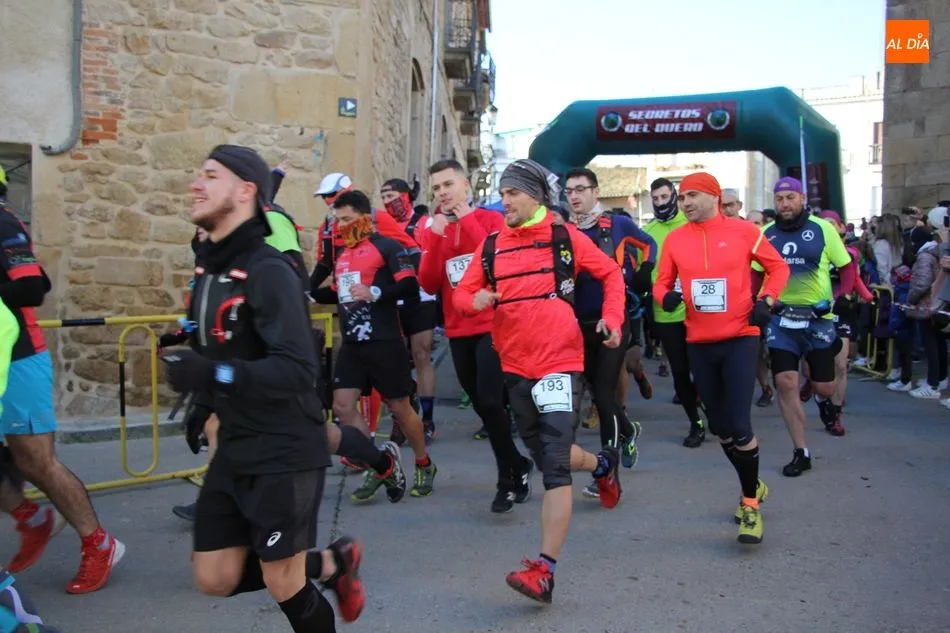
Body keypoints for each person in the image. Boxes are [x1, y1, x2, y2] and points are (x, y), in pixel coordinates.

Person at [161, 144, 364, 630]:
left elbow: (297, 370)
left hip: (283, 448)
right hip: (235, 442)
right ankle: (332, 563)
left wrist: (211, 376)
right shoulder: (209, 269)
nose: (196, 184)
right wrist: (201, 397)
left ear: (245, 191)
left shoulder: (269, 270)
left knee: (282, 581)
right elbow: (222, 342)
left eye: (211, 176)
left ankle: (319, 569)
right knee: (214, 576)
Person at [454, 159, 624, 604]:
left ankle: (544, 571)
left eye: (512, 193)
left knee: (554, 463)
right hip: (514, 363)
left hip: (559, 361)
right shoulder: (492, 244)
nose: (505, 201)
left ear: (534, 196)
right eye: (502, 193)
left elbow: (610, 273)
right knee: (544, 451)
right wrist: (474, 300)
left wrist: (612, 317)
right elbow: (460, 294)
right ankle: (602, 465)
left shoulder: (564, 237)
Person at [0, 166, 124, 594]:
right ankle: (30, 517)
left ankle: (100, 543)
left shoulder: (3, 221)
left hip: (18, 359)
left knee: (37, 461)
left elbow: (32, 287)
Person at [654, 171, 789, 544]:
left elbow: (778, 267)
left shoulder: (744, 231)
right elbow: (661, 282)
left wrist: (767, 300)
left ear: (714, 197)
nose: (685, 203)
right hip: (699, 340)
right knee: (720, 428)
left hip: (741, 337)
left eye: (692, 196)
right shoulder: (676, 239)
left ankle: (750, 505)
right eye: (682, 197)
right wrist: (664, 296)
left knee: (740, 425)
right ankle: (753, 483)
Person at [416, 158, 533, 513]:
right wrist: (435, 238)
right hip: (458, 328)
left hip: (493, 324)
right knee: (484, 406)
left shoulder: (490, 220)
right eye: (436, 188)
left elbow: (496, 262)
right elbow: (428, 283)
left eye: (448, 184)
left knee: (491, 400)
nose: (442, 193)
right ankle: (518, 463)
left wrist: (466, 220)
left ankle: (505, 481)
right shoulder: (434, 229)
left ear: (465, 185)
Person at [311, 190, 437, 500]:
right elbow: (339, 294)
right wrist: (307, 293)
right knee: (342, 406)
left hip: (384, 340)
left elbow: (409, 286)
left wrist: (376, 293)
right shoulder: (343, 255)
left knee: (400, 408)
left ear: (366, 218)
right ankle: (379, 465)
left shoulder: (387, 247)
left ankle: (423, 463)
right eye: (338, 221)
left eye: (347, 219)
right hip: (353, 343)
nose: (341, 226)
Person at [564, 167, 656, 497]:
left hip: (613, 321)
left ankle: (608, 469)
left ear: (595, 192)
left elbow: (649, 244)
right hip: (579, 324)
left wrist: (645, 270)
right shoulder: (564, 231)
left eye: (580, 189)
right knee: (596, 391)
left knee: (604, 393)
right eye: (569, 191)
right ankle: (627, 431)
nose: (574, 196)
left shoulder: (617, 224)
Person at [755, 177, 852, 477]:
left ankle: (822, 394)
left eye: (790, 198)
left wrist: (842, 297)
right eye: (779, 199)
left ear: (802, 198)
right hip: (781, 320)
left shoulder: (823, 229)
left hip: (817, 318)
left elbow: (847, 267)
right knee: (785, 382)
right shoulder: (765, 234)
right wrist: (757, 302)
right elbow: (755, 273)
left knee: (825, 386)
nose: (785, 204)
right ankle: (801, 451)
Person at [643, 178, 706, 447]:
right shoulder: (648, 232)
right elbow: (644, 271)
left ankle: (711, 406)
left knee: (703, 369)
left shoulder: (693, 224)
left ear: (674, 196)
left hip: (699, 310)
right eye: (655, 198)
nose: (660, 203)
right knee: (680, 372)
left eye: (664, 196)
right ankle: (696, 423)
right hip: (666, 312)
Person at [380, 177, 439, 444]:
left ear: (405, 196)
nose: (387, 202)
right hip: (395, 298)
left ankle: (428, 419)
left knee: (421, 353)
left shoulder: (424, 223)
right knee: (397, 359)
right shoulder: (382, 227)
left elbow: (432, 254)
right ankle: (405, 412)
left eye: (391, 195)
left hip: (422, 296)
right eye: (383, 197)